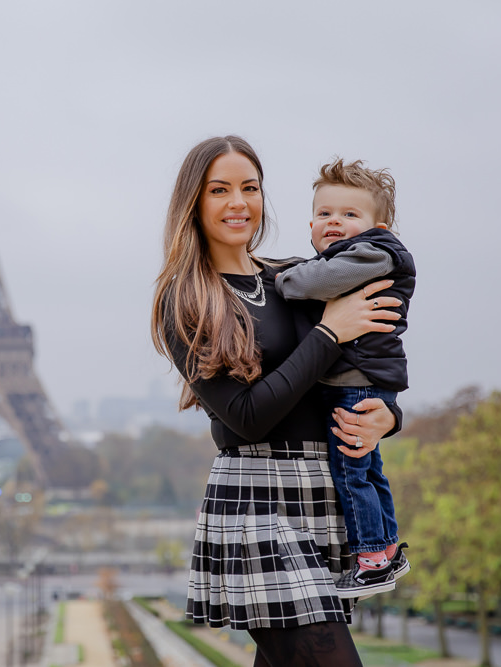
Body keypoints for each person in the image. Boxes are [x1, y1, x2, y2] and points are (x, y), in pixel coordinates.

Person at [151, 136, 403, 667]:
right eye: (219, 190)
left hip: (323, 490)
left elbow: (367, 359)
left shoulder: (294, 279)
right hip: (257, 498)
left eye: (250, 188)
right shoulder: (187, 297)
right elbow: (246, 417)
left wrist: (388, 417)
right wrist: (328, 334)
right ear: (193, 203)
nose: (238, 202)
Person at [274, 158, 415, 599]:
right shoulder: (362, 254)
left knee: (351, 471)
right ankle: (387, 548)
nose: (334, 221)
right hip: (367, 379)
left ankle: (371, 558)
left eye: (350, 214)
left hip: (357, 380)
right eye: (325, 213)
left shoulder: (375, 253)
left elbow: (317, 281)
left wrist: (281, 278)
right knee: (368, 469)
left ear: (381, 226)